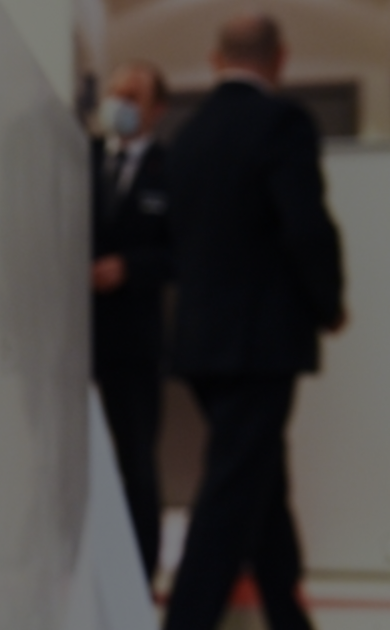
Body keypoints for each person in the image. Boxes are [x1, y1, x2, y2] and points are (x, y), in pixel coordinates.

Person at [163, 12, 345, 630]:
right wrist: (329, 302)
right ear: (280, 57)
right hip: (260, 342)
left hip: (201, 342)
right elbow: (305, 226)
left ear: (216, 60)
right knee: (232, 492)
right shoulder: (281, 123)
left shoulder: (187, 135)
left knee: (260, 480)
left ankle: (288, 615)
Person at [91, 60, 172, 584]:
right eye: (115, 94)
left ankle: (140, 574)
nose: (120, 106)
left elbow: (183, 251)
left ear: (156, 108)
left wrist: (131, 268)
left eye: (133, 97)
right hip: (79, 341)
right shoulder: (84, 161)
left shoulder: (171, 170)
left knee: (137, 462)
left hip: (135, 343)